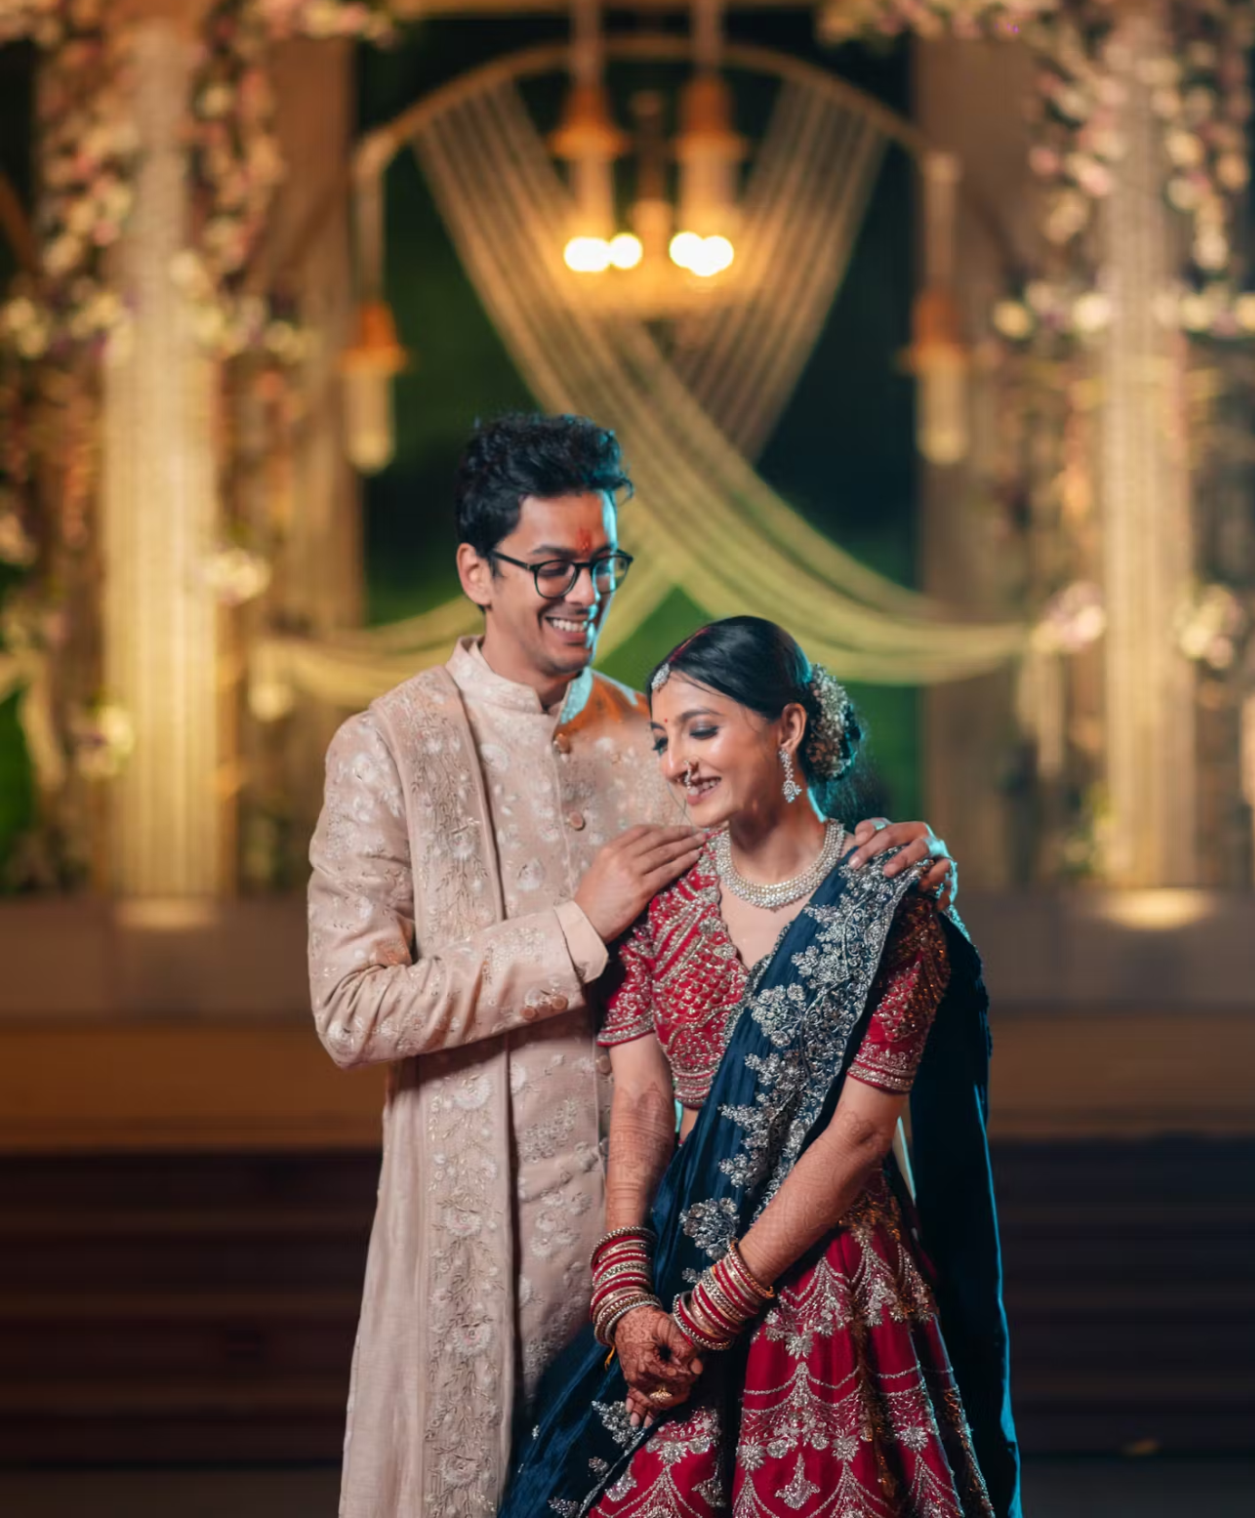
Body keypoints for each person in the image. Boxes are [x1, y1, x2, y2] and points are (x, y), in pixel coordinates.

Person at [308, 413, 958, 1518]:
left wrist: (910, 857)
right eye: (554, 566)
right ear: (476, 569)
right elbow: (349, 1010)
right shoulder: (387, 745)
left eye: (605, 561)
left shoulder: (656, 734)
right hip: (479, 1222)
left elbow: (780, 891)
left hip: (673, 1220)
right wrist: (574, 927)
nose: (586, 591)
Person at [502, 617, 1020, 1518]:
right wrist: (626, 1288)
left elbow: (861, 1136)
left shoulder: (888, 902)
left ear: (785, 728)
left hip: (833, 1281)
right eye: (663, 738)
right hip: (672, 1261)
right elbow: (639, 1098)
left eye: (700, 730)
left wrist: (708, 1314)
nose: (674, 763)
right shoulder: (658, 900)